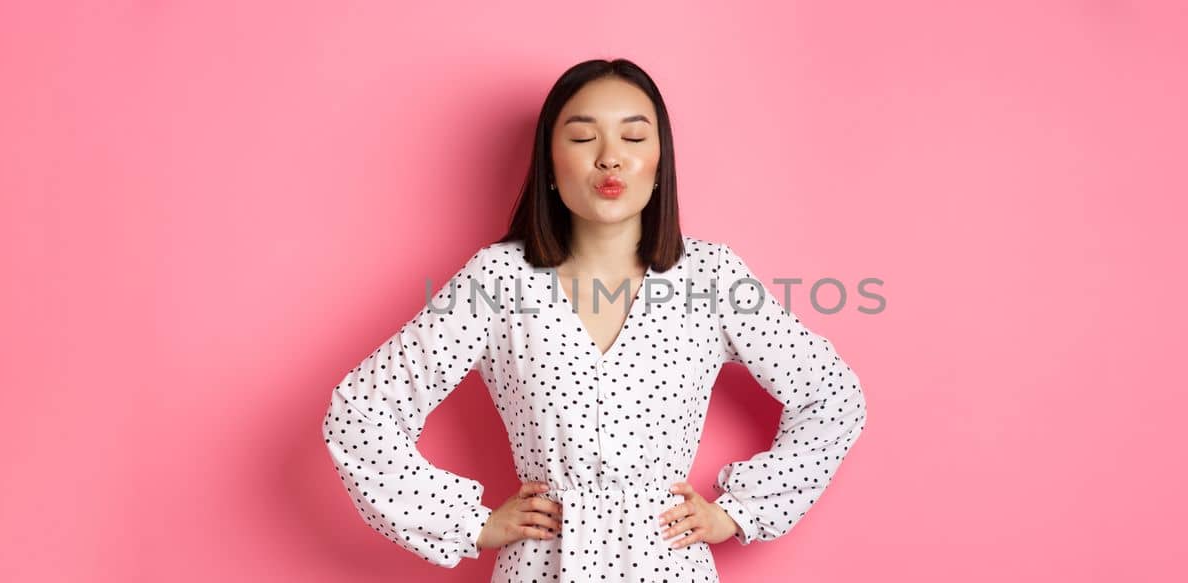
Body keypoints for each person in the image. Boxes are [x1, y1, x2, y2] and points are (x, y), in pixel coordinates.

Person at [321, 58, 868, 581]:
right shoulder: (497, 280)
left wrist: (741, 510)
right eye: (583, 138)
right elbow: (362, 410)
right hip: (542, 568)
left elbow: (833, 395)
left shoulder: (711, 276)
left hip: (669, 566)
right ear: (551, 166)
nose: (610, 158)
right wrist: (467, 522)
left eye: (633, 138)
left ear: (660, 163)